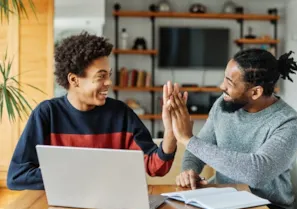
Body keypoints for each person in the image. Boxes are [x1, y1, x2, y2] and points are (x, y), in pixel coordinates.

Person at [7, 32, 181, 190]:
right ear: (74, 80)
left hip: (113, 207)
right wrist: (78, 175)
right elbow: (17, 177)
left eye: (109, 75)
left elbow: (154, 166)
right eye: (101, 76)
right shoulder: (47, 114)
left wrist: (171, 135)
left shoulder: (121, 114)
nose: (109, 82)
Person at [167, 49, 297, 209]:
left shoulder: (289, 123)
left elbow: (257, 173)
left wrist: (187, 139)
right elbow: (197, 150)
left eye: (229, 82)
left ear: (255, 92)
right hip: (224, 203)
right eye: (225, 77)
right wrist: (189, 170)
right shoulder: (222, 105)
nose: (221, 86)